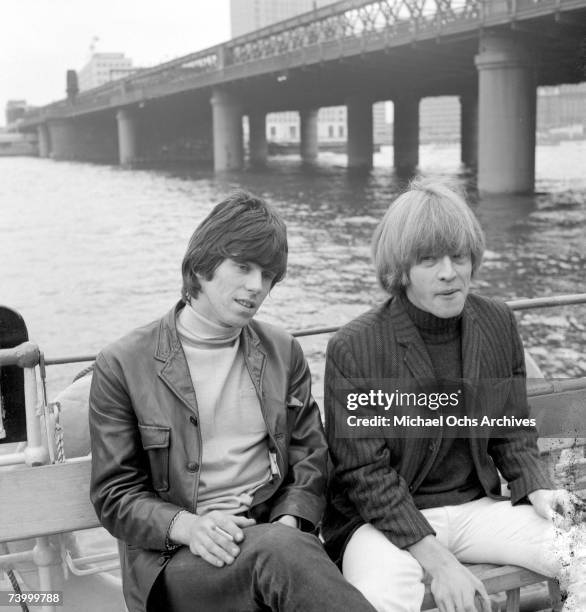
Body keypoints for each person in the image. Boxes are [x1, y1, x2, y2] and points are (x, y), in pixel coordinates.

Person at [89, 191, 375, 612]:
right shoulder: (122, 364)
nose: (256, 286)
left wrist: (289, 520)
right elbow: (115, 495)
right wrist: (189, 526)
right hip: (176, 561)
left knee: (282, 552)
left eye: (268, 275)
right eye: (243, 267)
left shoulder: (282, 350)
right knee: (282, 556)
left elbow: (310, 456)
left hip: (272, 541)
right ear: (202, 265)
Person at [322, 180, 583, 612]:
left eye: (459, 256)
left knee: (580, 546)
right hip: (382, 522)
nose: (450, 272)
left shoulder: (496, 322)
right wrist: (440, 563)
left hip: (477, 508)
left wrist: (539, 490)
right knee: (381, 593)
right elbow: (365, 475)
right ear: (401, 268)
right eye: (429, 259)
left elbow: (511, 435)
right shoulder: (355, 347)